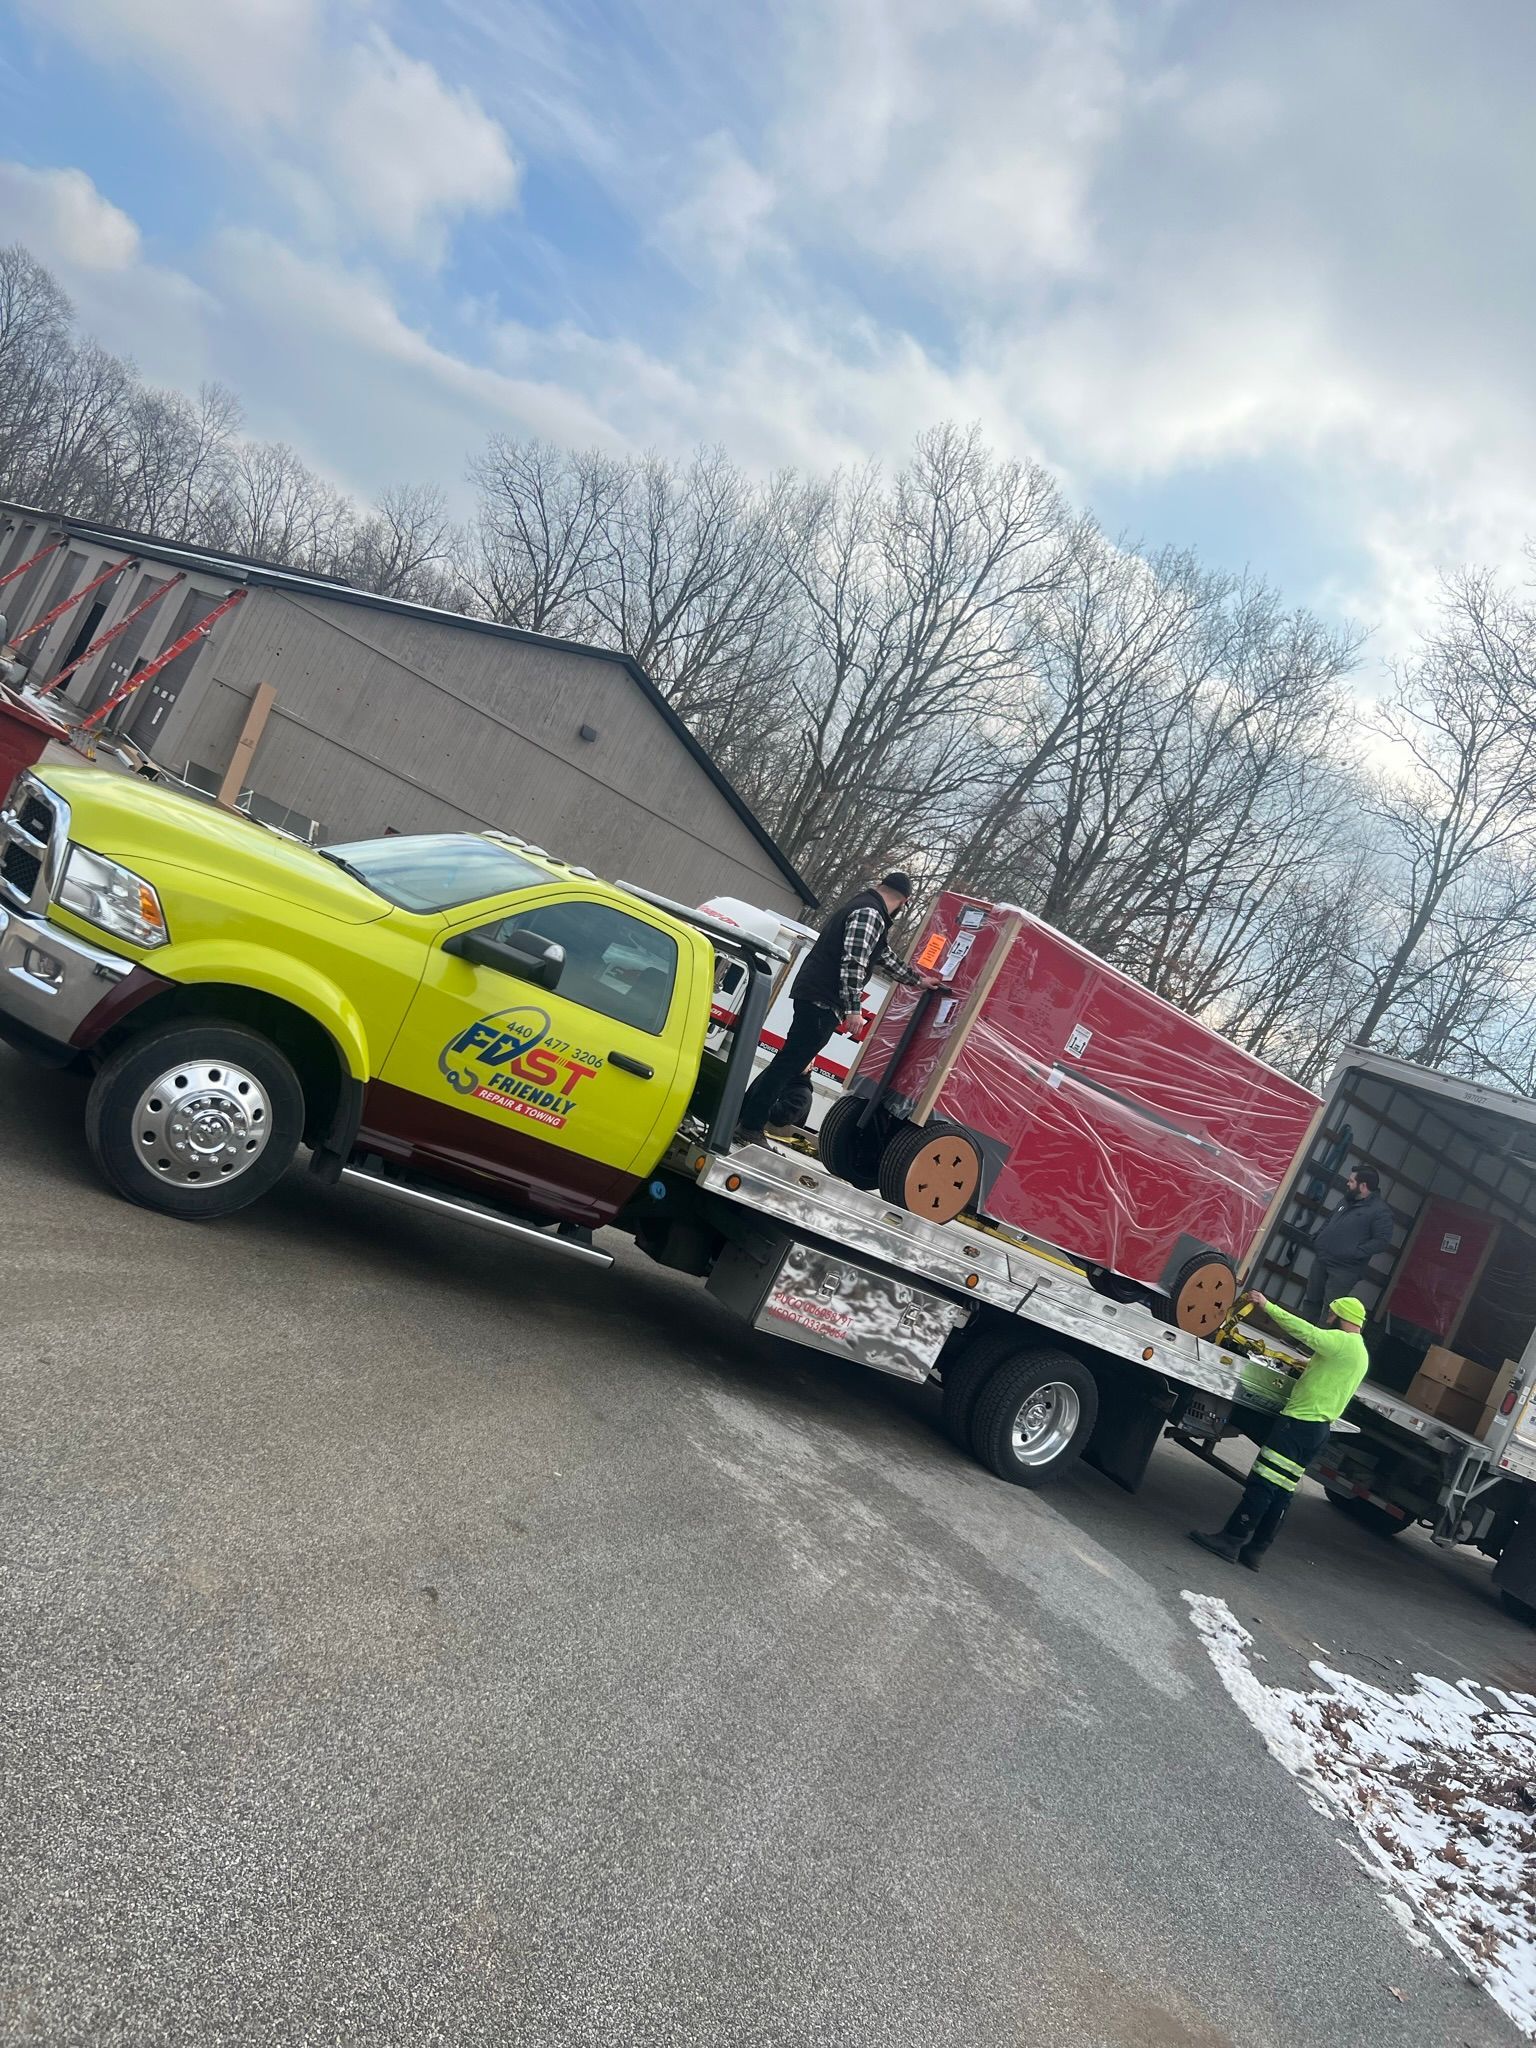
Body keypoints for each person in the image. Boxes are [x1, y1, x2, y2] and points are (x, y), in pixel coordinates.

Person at [735, 871, 932, 1143]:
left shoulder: (863, 907)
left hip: (814, 992)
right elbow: (854, 962)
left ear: (880, 885)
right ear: (904, 902)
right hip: (823, 999)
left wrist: (918, 980)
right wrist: (853, 1009)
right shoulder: (871, 914)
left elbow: (882, 954)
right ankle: (750, 1125)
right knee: (789, 1064)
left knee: (787, 1061)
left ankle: (742, 1116)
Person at [1189, 1292, 1370, 1570]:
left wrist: (1266, 1305)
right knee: (1283, 1490)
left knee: (1263, 1483)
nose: (1328, 1319)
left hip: (1297, 1424)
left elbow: (1305, 1332)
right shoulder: (1360, 1353)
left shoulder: (1341, 1342)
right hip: (1318, 1430)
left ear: (1343, 1318)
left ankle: (1231, 1539)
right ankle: (1256, 1550)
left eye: (1332, 1315)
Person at [1301, 1166, 1394, 1320]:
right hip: (1323, 1259)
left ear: (1363, 1186)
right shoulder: (1346, 1200)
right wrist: (1319, 1236)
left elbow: (1382, 1241)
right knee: (1311, 1300)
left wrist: (1354, 1252)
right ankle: (1298, 1337)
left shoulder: (1381, 1212)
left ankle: (1314, 1344)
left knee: (1330, 1308)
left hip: (1345, 1269)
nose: (1347, 1184)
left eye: (1351, 1181)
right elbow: (1330, 1219)